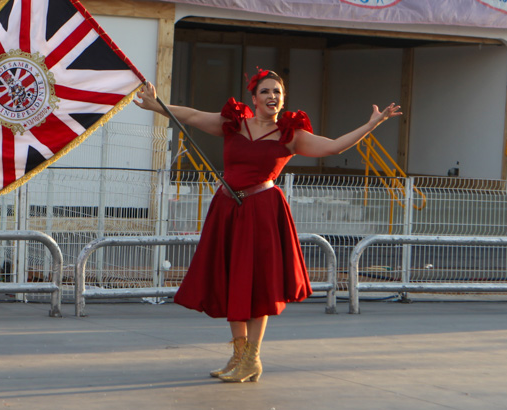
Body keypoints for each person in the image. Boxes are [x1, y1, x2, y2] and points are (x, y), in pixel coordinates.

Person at [135, 70, 402, 383]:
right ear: (254, 97)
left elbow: (334, 147)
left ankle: (252, 358)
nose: (272, 97)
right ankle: (238, 356)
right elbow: (192, 115)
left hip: (262, 212)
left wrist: (372, 125)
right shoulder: (233, 125)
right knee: (234, 280)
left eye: (277, 92)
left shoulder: (291, 135)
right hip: (228, 210)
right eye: (266, 91)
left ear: (283, 98)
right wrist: (157, 106)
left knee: (257, 284)